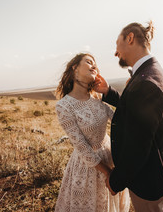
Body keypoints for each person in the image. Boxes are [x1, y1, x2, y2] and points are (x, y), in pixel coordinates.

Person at [94, 21, 163, 212]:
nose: (116, 53)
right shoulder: (150, 72)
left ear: (130, 38)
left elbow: (138, 145)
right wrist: (109, 92)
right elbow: (137, 110)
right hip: (153, 171)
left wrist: (116, 181)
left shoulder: (147, 81)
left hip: (149, 177)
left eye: (117, 44)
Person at [54, 53, 130, 212]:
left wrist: (110, 90)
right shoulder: (64, 106)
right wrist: (110, 174)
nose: (94, 66)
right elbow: (82, 147)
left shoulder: (98, 97)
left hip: (109, 154)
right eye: (89, 62)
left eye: (96, 64)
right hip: (88, 166)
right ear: (75, 68)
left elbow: (120, 119)